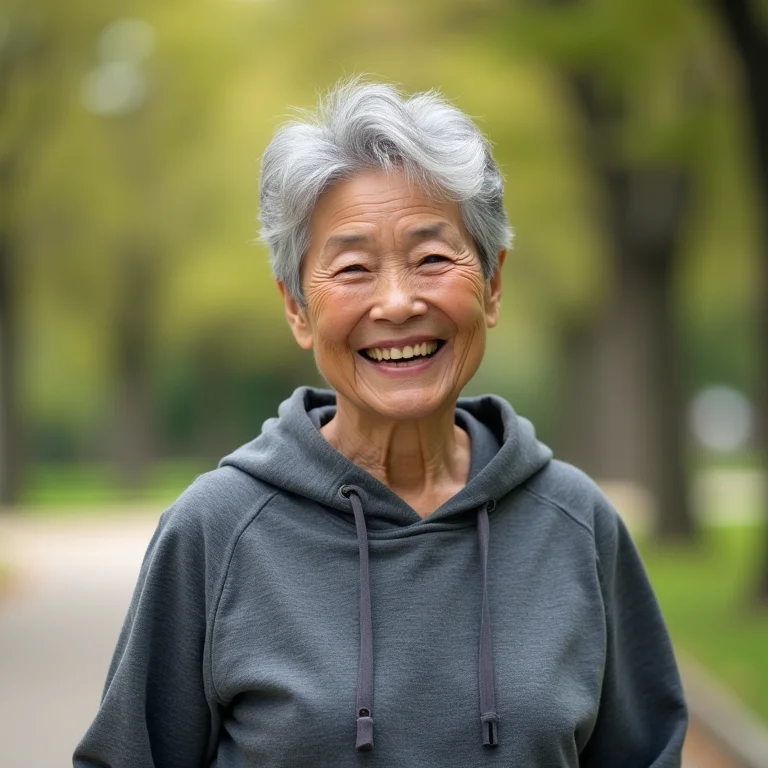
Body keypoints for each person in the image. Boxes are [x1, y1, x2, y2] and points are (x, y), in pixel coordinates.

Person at [73, 79, 687, 767]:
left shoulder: (576, 523)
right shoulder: (215, 532)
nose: (397, 303)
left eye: (431, 259)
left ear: (493, 284)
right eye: (354, 268)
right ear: (297, 308)